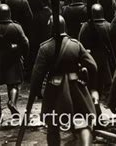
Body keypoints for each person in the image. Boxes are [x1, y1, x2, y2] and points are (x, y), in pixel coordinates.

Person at [29, 15, 98, 146]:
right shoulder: (75, 45)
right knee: (83, 122)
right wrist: (90, 84)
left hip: (54, 90)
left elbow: (37, 75)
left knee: (53, 126)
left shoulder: (45, 48)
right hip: (76, 88)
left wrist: (35, 93)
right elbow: (93, 66)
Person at [78, 3, 115, 97]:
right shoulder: (109, 26)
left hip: (90, 58)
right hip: (105, 60)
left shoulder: (86, 26)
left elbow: (80, 42)